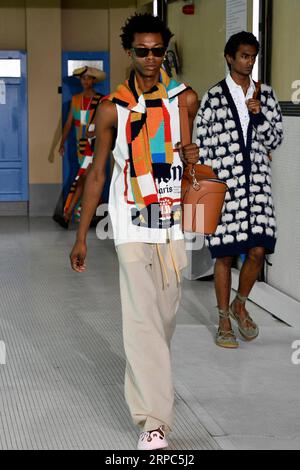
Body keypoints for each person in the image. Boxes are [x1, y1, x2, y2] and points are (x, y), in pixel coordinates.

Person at [69, 13, 199, 450]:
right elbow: (98, 172)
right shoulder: (113, 107)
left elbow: (192, 168)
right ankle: (154, 422)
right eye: (141, 50)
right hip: (129, 223)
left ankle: (151, 389)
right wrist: (82, 234)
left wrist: (192, 154)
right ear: (130, 51)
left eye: (157, 50)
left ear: (166, 51)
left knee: (163, 321)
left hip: (173, 224)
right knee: (142, 323)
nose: (149, 58)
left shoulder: (185, 100)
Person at [195, 31, 283, 349]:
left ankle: (240, 303)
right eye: (244, 55)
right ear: (230, 57)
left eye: (253, 56)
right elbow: (203, 145)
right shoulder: (214, 98)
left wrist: (258, 117)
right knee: (225, 255)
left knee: (258, 250)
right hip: (225, 187)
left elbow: (273, 140)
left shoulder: (265, 95)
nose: (249, 62)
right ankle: (222, 319)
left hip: (257, 188)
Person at [58, 66, 106, 227]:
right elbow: (68, 124)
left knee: (84, 178)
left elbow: (105, 122)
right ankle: (89, 214)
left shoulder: (101, 99)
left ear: (93, 80)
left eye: (89, 78)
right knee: (87, 179)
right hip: (81, 146)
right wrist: (61, 143)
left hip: (96, 145)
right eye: (83, 78)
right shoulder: (76, 99)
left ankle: (69, 212)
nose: (86, 81)